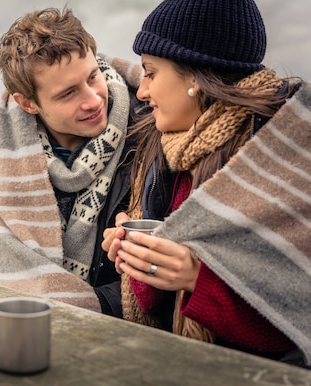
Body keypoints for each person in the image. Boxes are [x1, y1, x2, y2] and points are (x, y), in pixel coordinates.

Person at [102, 0, 311, 368]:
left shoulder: (277, 160)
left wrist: (199, 279)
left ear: (195, 79)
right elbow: (153, 305)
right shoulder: (161, 148)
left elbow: (295, 319)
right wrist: (138, 259)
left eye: (151, 73)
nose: (141, 91)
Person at [0, 7, 143, 315]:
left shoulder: (147, 134)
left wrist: (95, 307)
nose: (92, 99)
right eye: (68, 94)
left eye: (93, 76)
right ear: (27, 103)